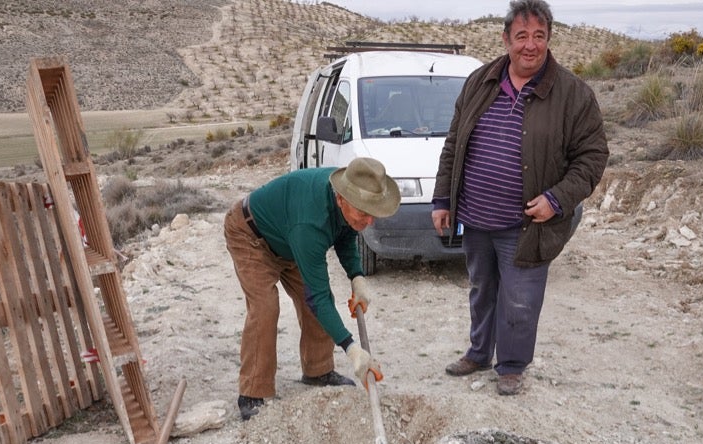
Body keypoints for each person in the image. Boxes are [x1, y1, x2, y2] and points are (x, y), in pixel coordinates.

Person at [432, 0, 608, 396]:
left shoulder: (574, 94)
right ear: (506, 38)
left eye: (539, 36)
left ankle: (511, 366)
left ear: (549, 38)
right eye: (522, 36)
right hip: (476, 217)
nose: (531, 46)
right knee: (482, 290)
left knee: (520, 299)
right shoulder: (479, 81)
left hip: (528, 222)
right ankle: (478, 353)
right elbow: (454, 142)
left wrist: (557, 199)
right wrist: (442, 199)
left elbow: (593, 157)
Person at [226, 157, 400, 420]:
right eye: (363, 213)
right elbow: (317, 298)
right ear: (341, 199)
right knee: (266, 308)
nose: (369, 221)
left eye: (372, 212)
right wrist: (352, 349)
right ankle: (252, 392)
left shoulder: (349, 190)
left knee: (319, 304)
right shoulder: (311, 223)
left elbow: (345, 234)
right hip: (251, 236)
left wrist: (357, 276)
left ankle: (317, 371)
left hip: (289, 240)